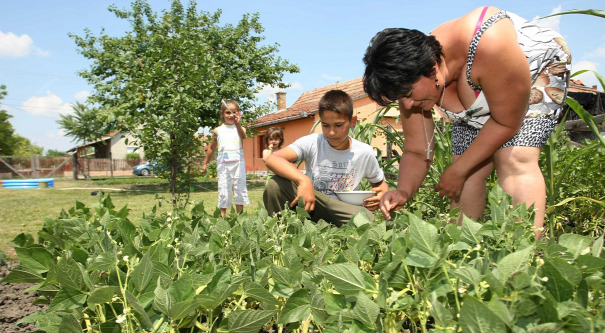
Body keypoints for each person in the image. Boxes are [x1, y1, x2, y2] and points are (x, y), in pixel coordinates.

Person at [362, 6, 571, 238]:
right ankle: (461, 250)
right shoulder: (408, 82)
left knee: (514, 158)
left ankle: (521, 256)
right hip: (475, 91)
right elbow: (417, 150)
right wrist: (403, 191)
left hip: (533, 71)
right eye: (402, 98)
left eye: (409, 95)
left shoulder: (488, 43)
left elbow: (506, 123)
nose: (407, 105)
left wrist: (458, 171)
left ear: (433, 68)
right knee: (467, 168)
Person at [263, 90, 389, 227]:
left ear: (352, 121)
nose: (331, 132)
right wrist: (303, 180)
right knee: (275, 184)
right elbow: (273, 159)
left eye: (338, 125)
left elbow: (379, 183)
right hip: (313, 204)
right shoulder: (312, 142)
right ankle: (281, 230)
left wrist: (382, 194)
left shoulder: (364, 152)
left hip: (344, 208)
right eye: (325, 125)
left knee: (370, 224)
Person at [203, 99, 250, 218]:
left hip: (238, 164)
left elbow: (243, 136)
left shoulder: (240, 128)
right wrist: (205, 164)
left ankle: (240, 217)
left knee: (239, 189)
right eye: (228, 113)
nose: (231, 115)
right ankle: (222, 217)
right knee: (224, 190)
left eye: (234, 112)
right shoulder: (217, 131)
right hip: (223, 165)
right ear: (222, 113)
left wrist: (238, 123)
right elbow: (211, 149)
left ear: (238, 113)